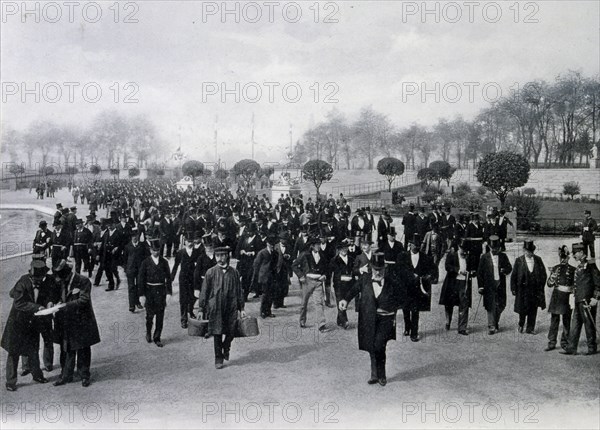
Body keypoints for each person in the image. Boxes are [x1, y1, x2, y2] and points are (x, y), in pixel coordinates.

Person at [339, 253, 404, 386]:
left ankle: (382, 374)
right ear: (371, 268)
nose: (378, 272)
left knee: (379, 344)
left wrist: (391, 308)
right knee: (372, 346)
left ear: (385, 269)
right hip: (368, 318)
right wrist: (345, 299)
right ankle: (375, 374)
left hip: (385, 319)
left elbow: (402, 297)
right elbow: (354, 290)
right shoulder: (365, 279)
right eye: (375, 269)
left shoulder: (392, 281)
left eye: (380, 269)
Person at [1, 260, 56, 391]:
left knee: (33, 349)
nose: (40, 281)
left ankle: (37, 375)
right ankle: (11, 382)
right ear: (31, 276)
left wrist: (50, 302)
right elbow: (18, 304)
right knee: (13, 352)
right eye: (37, 278)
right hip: (17, 323)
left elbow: (51, 293)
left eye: (41, 278)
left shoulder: (46, 280)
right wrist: (38, 307)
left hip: (33, 323)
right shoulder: (22, 282)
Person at [52, 259, 101, 387]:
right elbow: (59, 296)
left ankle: (84, 375)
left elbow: (84, 300)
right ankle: (66, 375)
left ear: (69, 274)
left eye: (64, 278)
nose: (62, 281)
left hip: (82, 321)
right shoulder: (63, 281)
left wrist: (65, 305)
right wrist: (55, 303)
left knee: (83, 348)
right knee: (67, 349)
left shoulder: (83, 281)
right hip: (67, 321)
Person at [197, 246, 245, 369]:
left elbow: (239, 291)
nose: (219, 258)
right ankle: (218, 358)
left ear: (227, 256)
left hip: (231, 305)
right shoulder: (211, 272)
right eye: (217, 256)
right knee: (217, 331)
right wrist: (201, 309)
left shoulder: (234, 273)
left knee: (231, 330)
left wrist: (242, 308)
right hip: (216, 306)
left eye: (222, 255)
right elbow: (204, 291)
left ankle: (226, 346)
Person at [560, 243, 600, 355]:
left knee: (589, 325)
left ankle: (592, 348)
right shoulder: (580, 265)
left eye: (575, 253)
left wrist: (595, 298)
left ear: (582, 252)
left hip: (587, 302)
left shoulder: (591, 265)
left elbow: (598, 283)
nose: (573, 255)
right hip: (579, 300)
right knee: (575, 324)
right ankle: (571, 348)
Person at [138, 239, 173, 347]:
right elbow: (140, 279)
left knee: (160, 316)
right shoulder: (145, 262)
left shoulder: (164, 262)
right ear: (150, 250)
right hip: (149, 291)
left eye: (157, 250)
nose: (156, 252)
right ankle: (148, 332)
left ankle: (157, 337)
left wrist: (168, 293)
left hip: (161, 291)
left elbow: (168, 278)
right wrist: (141, 295)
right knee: (149, 315)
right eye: (153, 250)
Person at [477, 235, 512, 335]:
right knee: (490, 305)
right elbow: (480, 273)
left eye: (496, 248)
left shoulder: (503, 256)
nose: (494, 250)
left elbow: (509, 267)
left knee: (501, 305)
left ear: (499, 248)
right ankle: (491, 326)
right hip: (489, 285)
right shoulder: (484, 257)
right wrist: (481, 286)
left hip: (500, 285)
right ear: (489, 247)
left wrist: (505, 270)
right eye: (492, 248)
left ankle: (495, 322)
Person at [292, 236, 328, 332]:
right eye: (317, 245)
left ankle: (321, 324)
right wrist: (301, 276)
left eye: (319, 244)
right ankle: (302, 320)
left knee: (319, 303)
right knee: (304, 303)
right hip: (307, 281)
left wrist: (324, 275)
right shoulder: (305, 255)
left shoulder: (323, 255)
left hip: (318, 282)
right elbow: (294, 265)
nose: (319, 246)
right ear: (312, 246)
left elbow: (326, 267)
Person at [510, 240, 547, 334]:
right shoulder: (519, 260)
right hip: (523, 290)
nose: (529, 253)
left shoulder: (538, 260)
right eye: (527, 251)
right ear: (524, 250)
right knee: (522, 308)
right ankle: (521, 324)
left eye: (531, 251)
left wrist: (540, 285)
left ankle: (530, 328)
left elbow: (544, 274)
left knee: (533, 309)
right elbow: (514, 275)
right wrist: (513, 288)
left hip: (534, 290)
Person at [403, 233, 434, 342]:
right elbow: (399, 270)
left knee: (415, 310)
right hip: (406, 288)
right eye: (414, 245)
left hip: (417, 289)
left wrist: (428, 276)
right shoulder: (403, 256)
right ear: (410, 244)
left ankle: (414, 333)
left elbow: (431, 270)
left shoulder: (425, 258)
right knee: (406, 309)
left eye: (418, 245)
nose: (416, 247)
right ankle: (407, 327)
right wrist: (411, 275)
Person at [545, 245, 575, 351]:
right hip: (557, 297)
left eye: (565, 257)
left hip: (567, 298)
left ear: (568, 258)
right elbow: (549, 284)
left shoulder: (573, 269)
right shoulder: (555, 268)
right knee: (554, 320)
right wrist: (552, 278)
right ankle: (552, 342)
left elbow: (575, 286)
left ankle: (565, 342)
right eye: (561, 257)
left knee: (566, 321)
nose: (563, 260)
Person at [439, 239, 472, 335]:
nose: (464, 252)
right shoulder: (452, 254)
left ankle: (462, 328)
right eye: (462, 249)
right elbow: (447, 266)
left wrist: (471, 272)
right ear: (458, 247)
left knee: (464, 304)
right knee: (449, 303)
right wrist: (458, 270)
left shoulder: (469, 256)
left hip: (464, 283)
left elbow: (473, 268)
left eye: (465, 250)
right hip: (452, 282)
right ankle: (448, 321)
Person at [171, 235, 198, 328]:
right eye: (188, 241)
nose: (190, 243)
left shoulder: (197, 252)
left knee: (193, 296)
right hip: (183, 278)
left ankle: (190, 311)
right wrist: (172, 277)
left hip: (193, 277)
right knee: (183, 298)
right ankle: (183, 318)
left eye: (191, 241)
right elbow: (175, 265)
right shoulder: (180, 253)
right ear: (185, 242)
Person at [330, 239, 355, 329]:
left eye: (345, 248)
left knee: (346, 301)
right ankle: (344, 321)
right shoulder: (334, 260)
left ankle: (339, 319)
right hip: (339, 285)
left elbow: (354, 270)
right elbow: (331, 273)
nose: (344, 250)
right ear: (339, 250)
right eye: (342, 249)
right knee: (340, 301)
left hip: (349, 284)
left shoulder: (352, 259)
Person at [123, 231, 150, 313]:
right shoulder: (127, 246)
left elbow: (147, 257)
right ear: (131, 237)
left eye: (136, 236)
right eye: (133, 236)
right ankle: (131, 305)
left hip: (140, 270)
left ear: (138, 236)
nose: (134, 237)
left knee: (139, 286)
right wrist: (126, 269)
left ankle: (137, 302)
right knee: (131, 287)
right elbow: (124, 258)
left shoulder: (142, 246)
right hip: (130, 270)